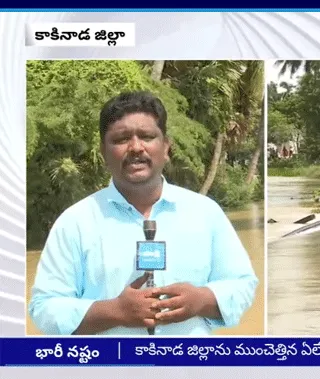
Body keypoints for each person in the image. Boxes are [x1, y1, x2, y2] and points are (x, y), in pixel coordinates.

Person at [29, 91, 259, 336]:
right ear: (103, 152)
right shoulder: (76, 222)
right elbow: (45, 308)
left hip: (190, 369)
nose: (136, 147)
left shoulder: (205, 213)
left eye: (147, 137)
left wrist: (200, 300)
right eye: (121, 139)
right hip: (109, 370)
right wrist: (115, 311)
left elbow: (243, 285)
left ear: (166, 147)